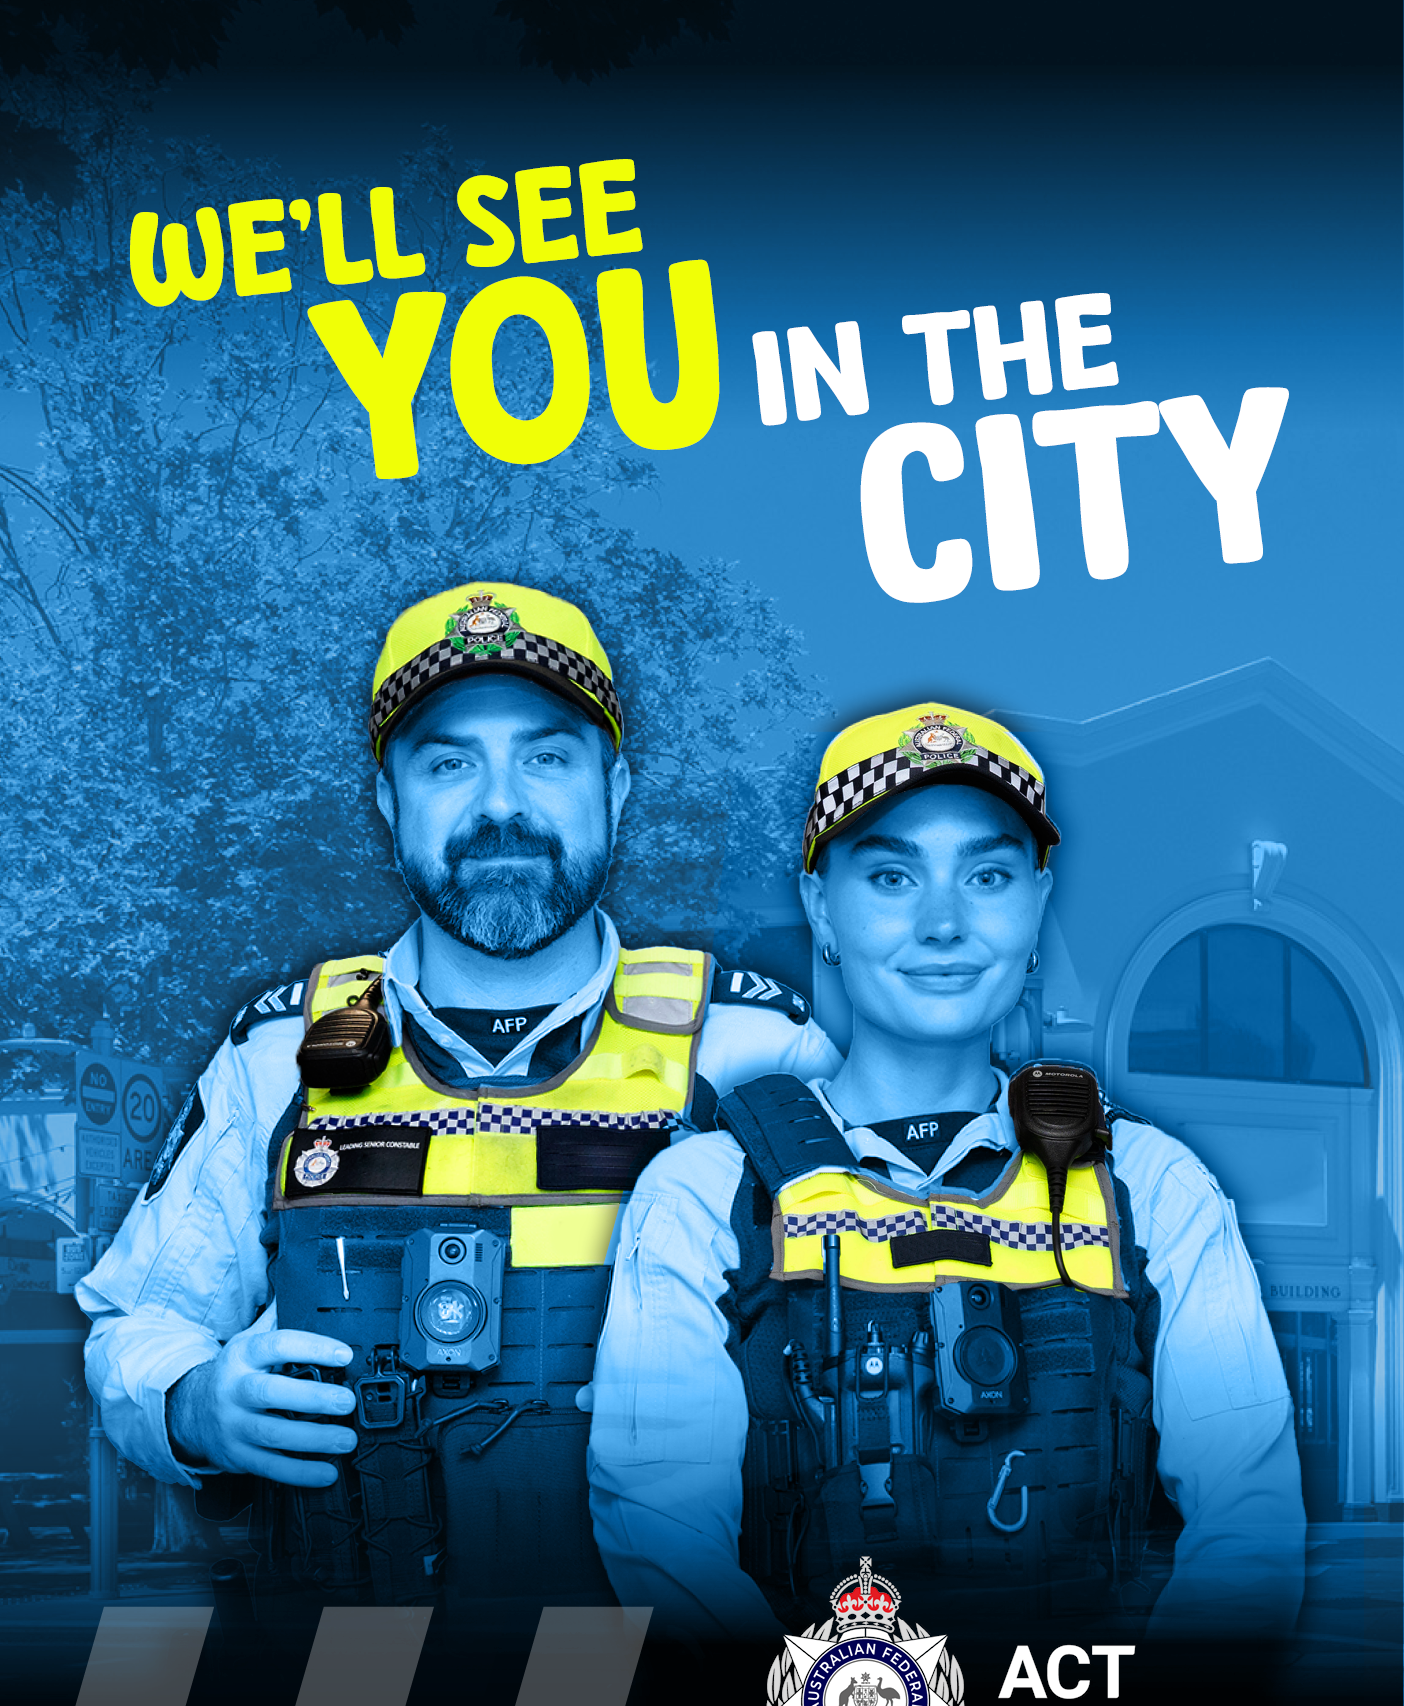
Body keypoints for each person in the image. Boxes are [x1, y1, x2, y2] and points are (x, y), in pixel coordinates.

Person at [78, 581, 838, 1614]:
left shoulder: (756, 1046)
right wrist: (195, 1405)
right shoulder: (276, 1054)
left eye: (548, 754)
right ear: (387, 802)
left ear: (616, 788)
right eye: (447, 761)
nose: (500, 805)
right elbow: (137, 1322)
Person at [586, 701, 1307, 1644]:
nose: (943, 925)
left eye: (989, 875)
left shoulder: (1155, 1187)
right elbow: (663, 1545)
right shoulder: (700, 1196)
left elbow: (1248, 1533)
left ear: (1039, 904)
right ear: (820, 908)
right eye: (891, 875)